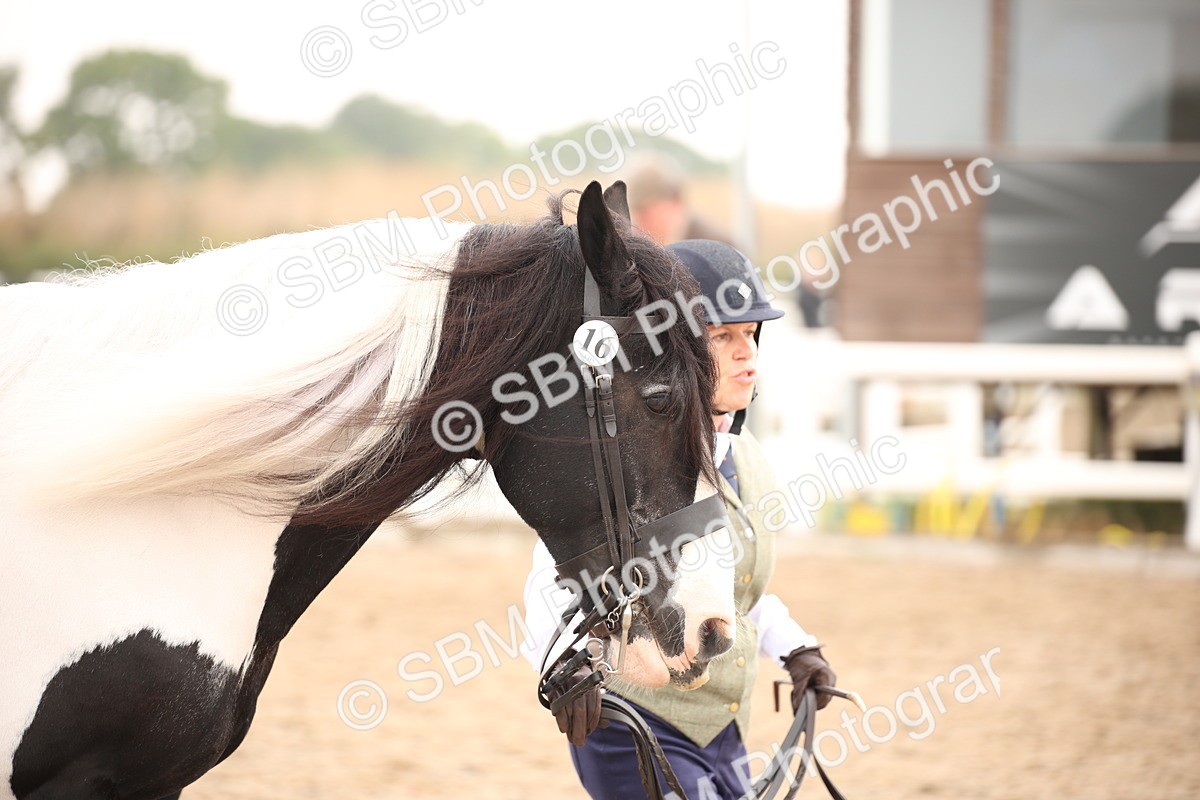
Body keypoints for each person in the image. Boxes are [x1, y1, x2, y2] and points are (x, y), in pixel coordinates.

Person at [520, 239, 836, 800]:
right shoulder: (630, 462)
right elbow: (552, 575)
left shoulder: (749, 458)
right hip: (634, 722)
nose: (747, 355)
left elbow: (736, 592)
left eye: (751, 334)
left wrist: (795, 649)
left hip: (722, 730)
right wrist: (565, 666)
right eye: (723, 337)